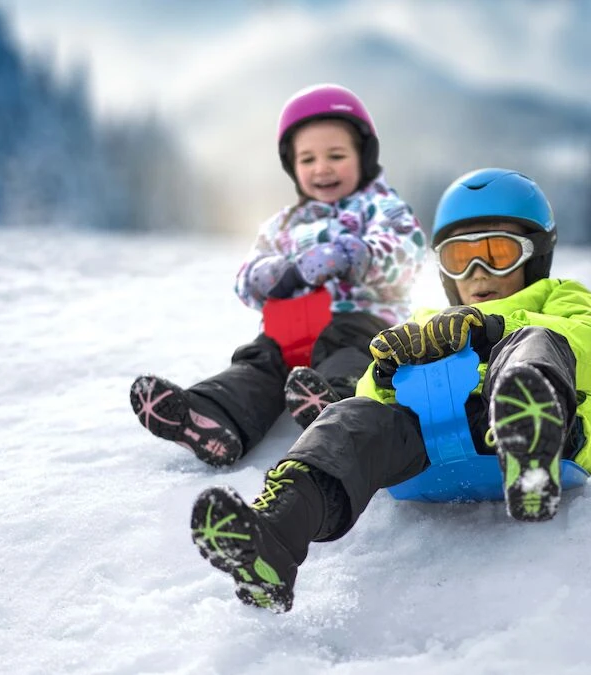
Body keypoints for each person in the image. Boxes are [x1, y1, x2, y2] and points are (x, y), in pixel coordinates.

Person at [188, 168, 591, 613]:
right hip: (432, 444)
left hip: (546, 430)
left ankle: (529, 446)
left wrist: (493, 328)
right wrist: (387, 375)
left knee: (536, 342)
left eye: (498, 253)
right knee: (350, 420)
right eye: (460, 259)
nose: (479, 273)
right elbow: (368, 402)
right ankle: (276, 534)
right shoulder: (426, 319)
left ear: (536, 255)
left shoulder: (556, 297)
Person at [129, 84, 427, 466]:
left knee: (350, 351)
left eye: (336, 155)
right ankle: (212, 414)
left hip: (360, 320)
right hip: (291, 328)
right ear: (292, 166)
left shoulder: (382, 207)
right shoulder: (283, 223)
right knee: (259, 361)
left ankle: (337, 406)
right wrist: (269, 275)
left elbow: (408, 250)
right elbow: (245, 278)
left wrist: (354, 254)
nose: (321, 168)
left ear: (363, 156)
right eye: (307, 159)